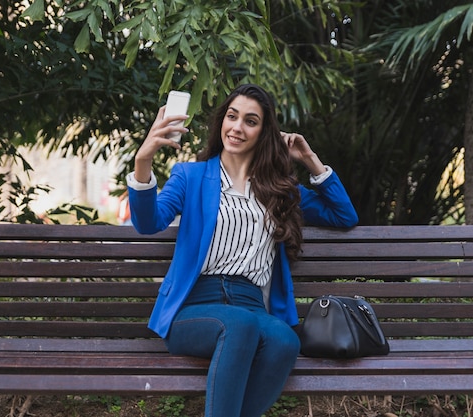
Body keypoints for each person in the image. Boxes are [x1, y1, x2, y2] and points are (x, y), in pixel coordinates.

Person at [126, 84, 358, 417]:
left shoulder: (279, 189)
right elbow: (149, 222)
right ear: (222, 121)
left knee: (285, 341)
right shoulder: (190, 176)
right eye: (232, 116)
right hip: (194, 310)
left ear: (264, 132)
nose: (237, 127)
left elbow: (343, 215)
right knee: (239, 325)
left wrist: (309, 159)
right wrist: (142, 161)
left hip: (251, 306)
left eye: (251, 121)